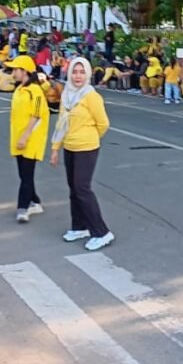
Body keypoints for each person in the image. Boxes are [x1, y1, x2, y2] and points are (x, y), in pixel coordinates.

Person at [51, 57, 114, 251]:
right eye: (75, 72)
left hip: (87, 147)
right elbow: (62, 122)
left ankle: (101, 232)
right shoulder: (66, 94)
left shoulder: (91, 96)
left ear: (87, 74)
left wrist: (90, 136)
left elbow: (103, 123)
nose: (78, 76)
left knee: (82, 188)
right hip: (69, 146)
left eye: (82, 72)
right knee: (73, 188)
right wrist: (55, 148)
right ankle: (79, 227)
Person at [6, 55, 49, 224]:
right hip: (19, 136)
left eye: (15, 69)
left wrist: (25, 136)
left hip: (32, 138)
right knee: (23, 174)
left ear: (24, 71)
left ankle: (22, 208)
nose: (13, 72)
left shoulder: (35, 91)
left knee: (26, 174)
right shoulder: (19, 89)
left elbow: (36, 115)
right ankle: (35, 201)